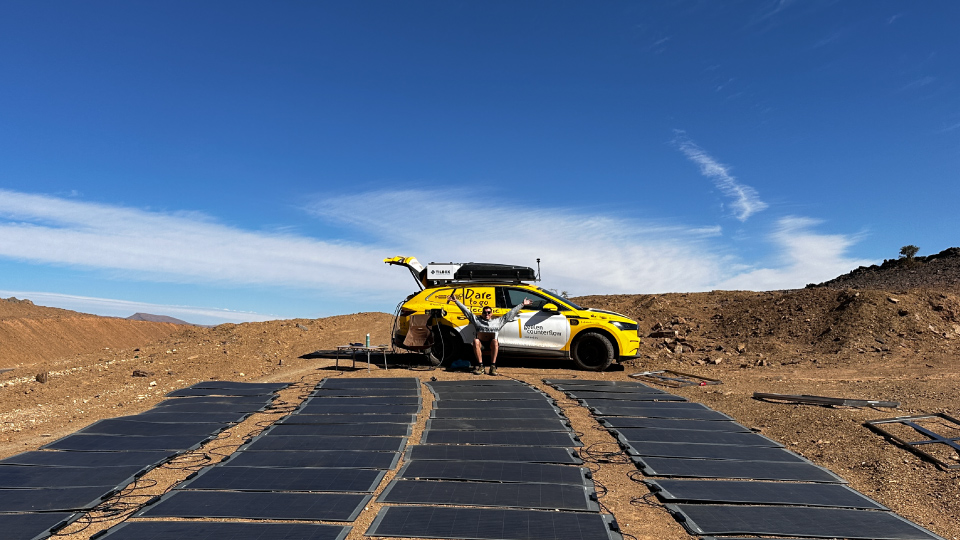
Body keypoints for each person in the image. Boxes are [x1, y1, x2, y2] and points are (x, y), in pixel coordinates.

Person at [447, 289, 532, 375]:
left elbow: (510, 313)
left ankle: (493, 366)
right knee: (475, 341)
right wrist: (456, 301)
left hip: (492, 343)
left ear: (491, 314)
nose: (486, 314)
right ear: (482, 314)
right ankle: (481, 366)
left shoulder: (498, 321)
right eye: (485, 312)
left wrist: (522, 304)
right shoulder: (477, 320)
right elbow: (467, 312)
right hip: (481, 344)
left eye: (488, 312)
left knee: (495, 341)